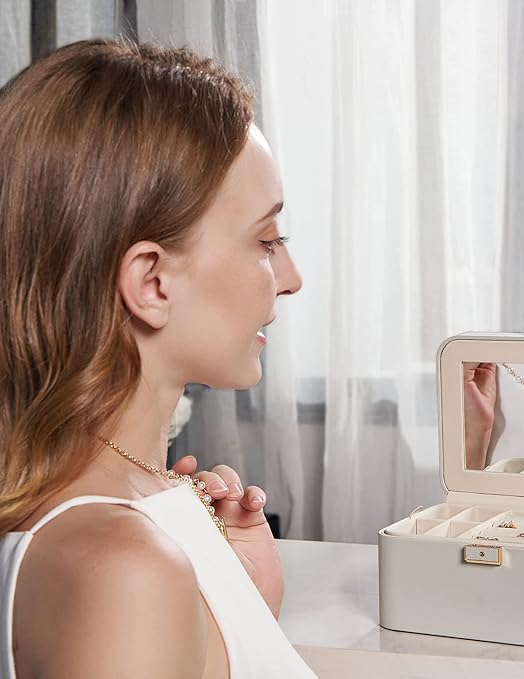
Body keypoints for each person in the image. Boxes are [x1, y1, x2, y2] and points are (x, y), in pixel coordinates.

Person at [0, 39, 316, 678]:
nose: (290, 278)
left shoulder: (133, 521)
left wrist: (243, 616)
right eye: (266, 240)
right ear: (152, 283)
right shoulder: (124, 570)